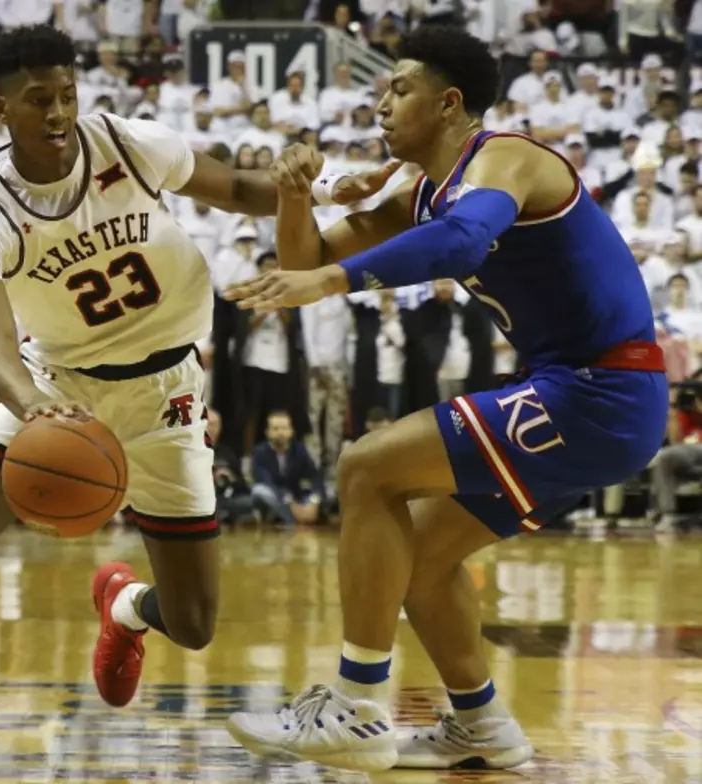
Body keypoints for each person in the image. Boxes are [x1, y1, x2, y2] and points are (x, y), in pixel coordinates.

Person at [0, 23, 398, 758]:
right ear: (1, 111)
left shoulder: (125, 141)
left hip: (168, 393)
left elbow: (242, 189)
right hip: (58, 389)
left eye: (67, 95)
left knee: (194, 621)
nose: (57, 113)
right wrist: (29, 405)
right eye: (37, 99)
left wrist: (306, 182)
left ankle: (123, 609)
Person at [223, 25, 668, 775]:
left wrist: (330, 283)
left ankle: (357, 705)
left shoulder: (507, 157)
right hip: (581, 394)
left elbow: (461, 244)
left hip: (602, 388)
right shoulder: (423, 193)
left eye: (399, 89)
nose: (382, 102)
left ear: (449, 101)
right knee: (423, 563)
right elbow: (305, 259)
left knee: (366, 468)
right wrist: (296, 194)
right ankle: (482, 727)